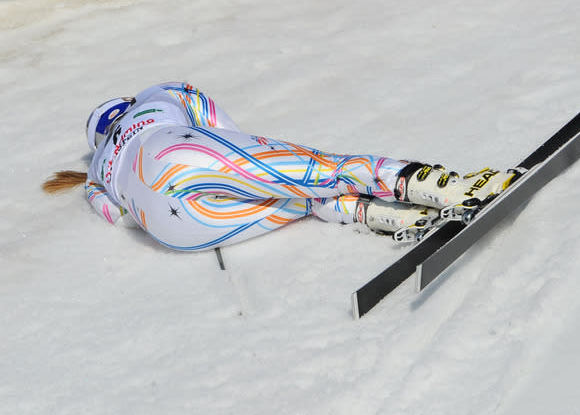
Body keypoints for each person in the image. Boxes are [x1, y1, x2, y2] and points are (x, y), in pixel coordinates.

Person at [42, 82, 518, 251]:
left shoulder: (98, 172)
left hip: (172, 228)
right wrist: (251, 159)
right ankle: (444, 186)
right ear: (122, 105)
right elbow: (214, 120)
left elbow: (115, 216)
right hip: (177, 153)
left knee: (293, 202)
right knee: (315, 173)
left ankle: (378, 215)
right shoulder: (154, 100)